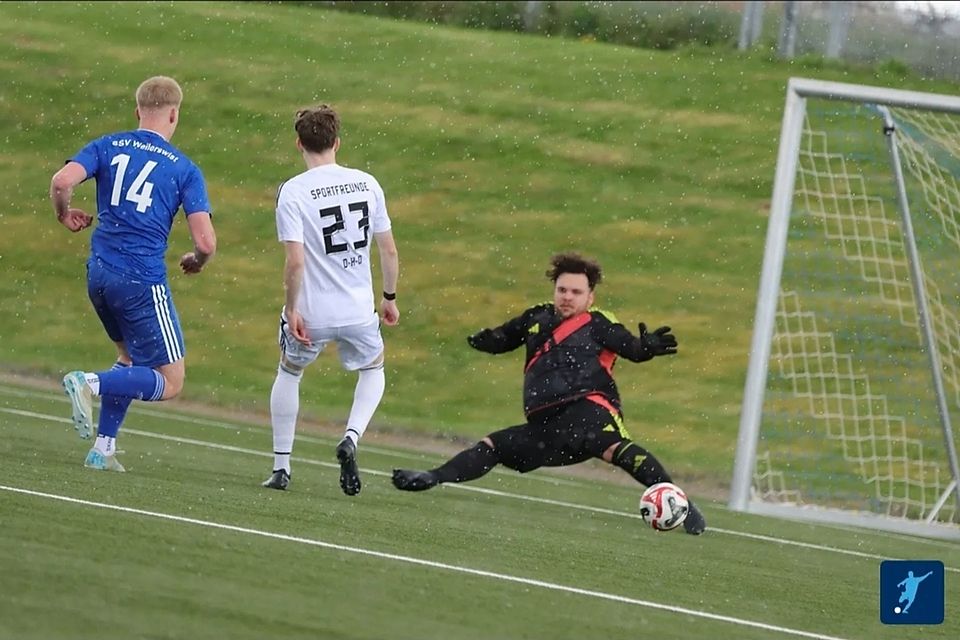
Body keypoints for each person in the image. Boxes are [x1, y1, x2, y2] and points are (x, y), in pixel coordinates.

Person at [393, 252, 706, 535]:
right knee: (493, 445)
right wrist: (484, 340)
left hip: (589, 409)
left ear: (590, 297)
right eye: (562, 290)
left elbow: (632, 349)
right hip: (547, 426)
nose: (567, 297)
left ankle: (681, 503)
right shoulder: (536, 318)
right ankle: (433, 477)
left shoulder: (599, 323)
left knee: (615, 448)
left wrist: (647, 348)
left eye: (576, 292)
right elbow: (504, 338)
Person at [51, 75, 217, 472]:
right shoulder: (183, 169)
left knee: (127, 357)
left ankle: (103, 448)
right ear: (174, 115)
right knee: (170, 381)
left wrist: (63, 213)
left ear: (138, 110)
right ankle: (88, 382)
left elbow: (61, 181)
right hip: (140, 279)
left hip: (99, 274)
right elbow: (206, 242)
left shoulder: (108, 145)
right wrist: (198, 260)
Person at [261, 104, 400, 496]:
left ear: (299, 144)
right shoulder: (367, 183)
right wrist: (389, 298)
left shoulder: (293, 190)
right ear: (337, 142)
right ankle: (351, 437)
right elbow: (389, 250)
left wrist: (292, 309)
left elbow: (295, 261)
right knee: (373, 369)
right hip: (358, 309)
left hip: (313, 312)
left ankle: (282, 467)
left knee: (290, 372)